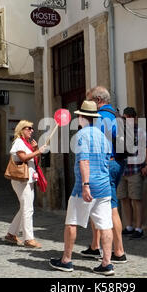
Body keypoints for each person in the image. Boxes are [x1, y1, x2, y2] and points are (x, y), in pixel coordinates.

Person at [50, 100, 115, 276]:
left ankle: (66, 260)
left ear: (81, 117)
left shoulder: (81, 135)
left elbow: (84, 161)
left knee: (72, 222)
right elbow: (108, 161)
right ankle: (107, 263)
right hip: (104, 186)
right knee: (105, 225)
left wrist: (86, 185)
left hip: (85, 187)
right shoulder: (104, 137)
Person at [80, 86, 128, 264]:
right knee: (99, 205)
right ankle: (94, 246)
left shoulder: (102, 118)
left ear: (98, 100)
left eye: (90, 101)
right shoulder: (115, 114)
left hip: (107, 164)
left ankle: (119, 251)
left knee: (110, 207)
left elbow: (95, 144)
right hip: (118, 162)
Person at [4, 120, 48, 249]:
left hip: (28, 179)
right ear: (21, 129)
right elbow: (23, 158)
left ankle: (11, 234)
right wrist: (38, 151)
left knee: (24, 207)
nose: (31, 130)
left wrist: (35, 150)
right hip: (21, 180)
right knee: (28, 209)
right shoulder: (18, 142)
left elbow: (34, 160)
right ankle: (29, 239)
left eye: (32, 128)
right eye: (29, 128)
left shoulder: (26, 144)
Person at [118, 107, 147, 239]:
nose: (128, 121)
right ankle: (129, 226)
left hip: (135, 170)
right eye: (126, 118)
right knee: (124, 199)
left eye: (130, 118)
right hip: (122, 170)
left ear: (135, 118)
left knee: (136, 199)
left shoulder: (140, 131)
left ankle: (139, 228)